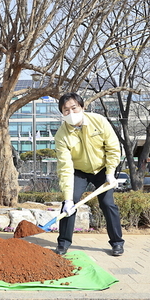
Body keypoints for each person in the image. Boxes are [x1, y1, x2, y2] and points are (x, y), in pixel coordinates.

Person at [54, 92, 124, 256]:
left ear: (82, 107)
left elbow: (113, 147)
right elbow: (65, 167)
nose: (71, 113)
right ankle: (63, 243)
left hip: (102, 169)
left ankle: (117, 243)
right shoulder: (61, 135)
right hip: (79, 171)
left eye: (74, 108)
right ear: (62, 113)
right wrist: (68, 198)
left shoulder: (98, 121)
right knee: (68, 206)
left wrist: (111, 172)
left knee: (107, 204)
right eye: (66, 110)